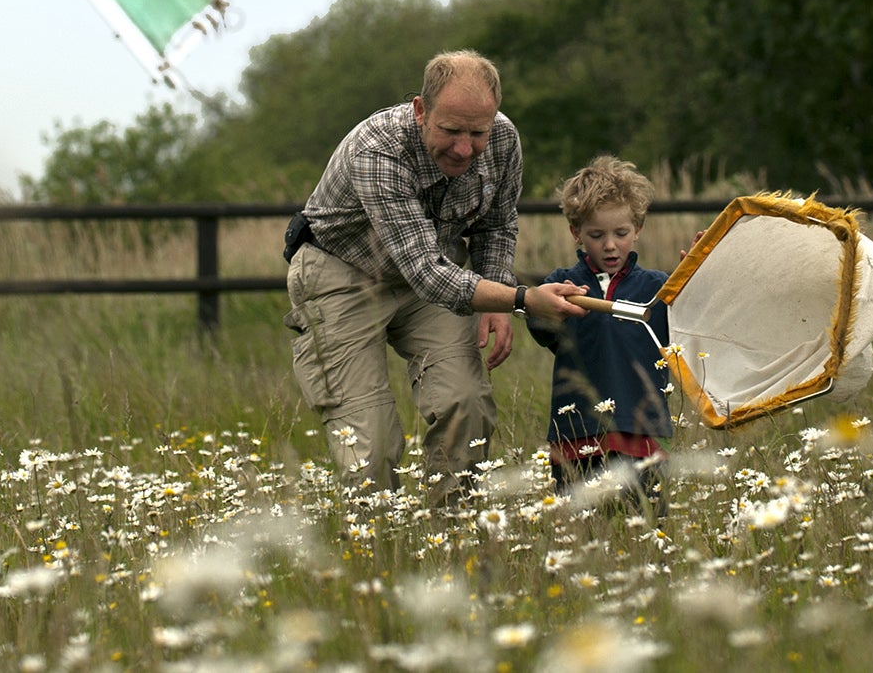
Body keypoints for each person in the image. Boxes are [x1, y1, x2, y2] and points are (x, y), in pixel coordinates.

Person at [285, 50, 584, 496]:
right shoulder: (377, 149)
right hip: (342, 276)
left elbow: (496, 225)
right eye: (450, 130)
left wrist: (497, 290)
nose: (465, 148)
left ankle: (452, 536)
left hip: (433, 276)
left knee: (465, 402)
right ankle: (377, 547)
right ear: (420, 110)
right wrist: (520, 299)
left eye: (477, 132)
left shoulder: (503, 141)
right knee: (370, 444)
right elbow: (427, 273)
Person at [527, 156, 673, 511]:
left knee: (647, 530)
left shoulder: (659, 290)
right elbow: (541, 329)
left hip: (639, 435)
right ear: (577, 232)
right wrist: (543, 308)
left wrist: (698, 271)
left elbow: (697, 326)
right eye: (597, 235)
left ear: (637, 228)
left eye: (620, 233)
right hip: (576, 436)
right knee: (582, 537)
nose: (610, 245)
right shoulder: (560, 285)